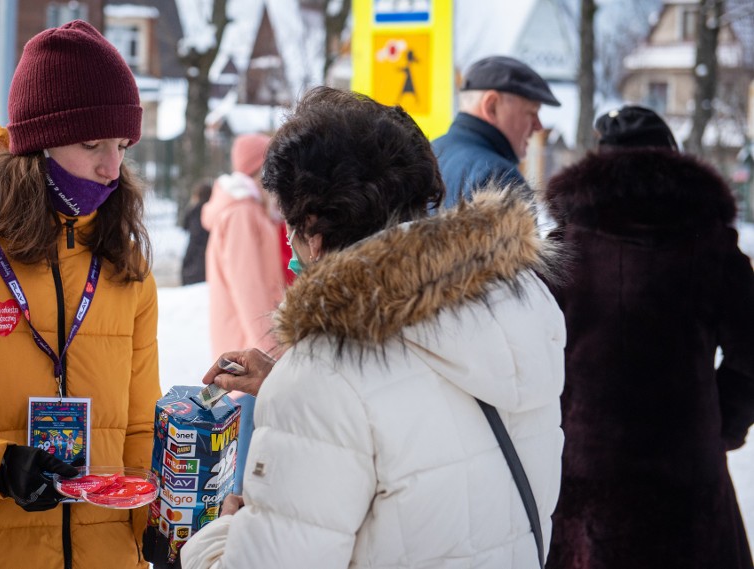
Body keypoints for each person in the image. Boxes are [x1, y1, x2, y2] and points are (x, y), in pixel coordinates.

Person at [180, 86, 567, 568]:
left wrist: (218, 538)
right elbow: (428, 431)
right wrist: (291, 383)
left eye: (289, 220)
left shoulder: (326, 372)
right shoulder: (516, 305)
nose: (287, 238)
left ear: (314, 226)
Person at [0, 20, 161, 568]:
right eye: (91, 143)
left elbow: (139, 431)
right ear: (35, 146)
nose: (110, 167)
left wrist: (155, 529)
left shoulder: (125, 264)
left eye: (121, 144)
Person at [541, 105, 754, 569]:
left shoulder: (561, 249)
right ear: (674, 162)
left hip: (581, 478)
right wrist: (722, 423)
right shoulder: (713, 246)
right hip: (688, 477)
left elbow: (529, 359)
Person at [201, 132, 287, 494]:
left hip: (249, 360)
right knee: (245, 487)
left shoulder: (247, 212)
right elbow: (255, 300)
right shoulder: (242, 216)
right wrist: (279, 365)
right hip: (251, 365)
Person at [432, 55, 561, 208]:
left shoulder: (428, 154)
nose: (538, 126)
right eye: (531, 113)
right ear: (491, 106)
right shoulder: (499, 177)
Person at [180, 178, 213, 285]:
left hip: (193, 264)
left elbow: (185, 226)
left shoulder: (194, 211)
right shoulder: (214, 213)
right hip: (208, 263)